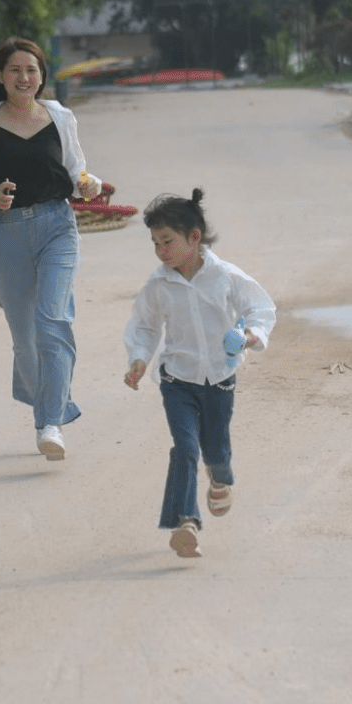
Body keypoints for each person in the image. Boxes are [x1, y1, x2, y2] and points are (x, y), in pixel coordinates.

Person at [0, 38, 103, 460]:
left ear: (42, 76)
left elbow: (76, 171)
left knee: (51, 320)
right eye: (16, 70)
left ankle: (49, 423)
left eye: (32, 70)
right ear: (0, 76)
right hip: (8, 234)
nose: (24, 78)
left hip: (58, 226)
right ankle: (47, 402)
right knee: (25, 338)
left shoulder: (60, 116)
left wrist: (88, 184)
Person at [123, 189, 275, 558]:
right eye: (156, 243)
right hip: (177, 381)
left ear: (194, 238)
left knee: (216, 451)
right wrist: (139, 359)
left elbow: (261, 309)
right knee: (186, 448)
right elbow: (144, 326)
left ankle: (220, 477)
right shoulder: (158, 285)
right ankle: (184, 522)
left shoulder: (225, 276)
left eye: (168, 241)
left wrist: (251, 335)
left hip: (220, 380)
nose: (161, 251)